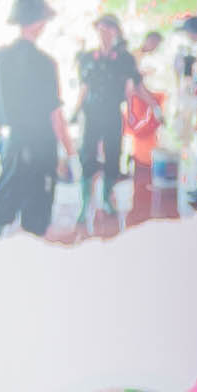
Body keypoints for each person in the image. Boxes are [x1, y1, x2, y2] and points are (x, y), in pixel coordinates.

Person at [0, 0, 67, 241]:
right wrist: (69, 153)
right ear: (39, 23)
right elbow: (55, 115)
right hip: (41, 144)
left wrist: (1, 139)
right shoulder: (45, 63)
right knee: (37, 207)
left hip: (13, 141)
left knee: (4, 198)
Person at [78, 14, 141, 234]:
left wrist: (136, 112)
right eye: (101, 29)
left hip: (113, 112)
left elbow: (132, 87)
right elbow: (84, 86)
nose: (104, 33)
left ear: (116, 32)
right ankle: (85, 203)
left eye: (108, 29)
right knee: (87, 155)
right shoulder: (88, 57)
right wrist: (75, 110)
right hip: (91, 113)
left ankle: (106, 198)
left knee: (113, 154)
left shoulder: (124, 59)